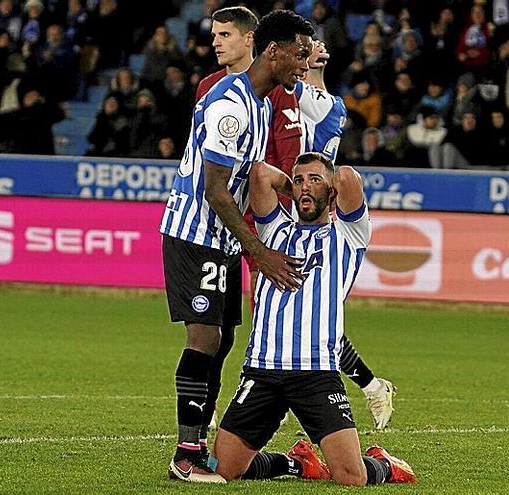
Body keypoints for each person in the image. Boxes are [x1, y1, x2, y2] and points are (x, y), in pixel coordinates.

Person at [196, 6, 396, 432]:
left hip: (291, 215)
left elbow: (329, 135)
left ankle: (252, 401)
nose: (217, 42)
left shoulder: (296, 90)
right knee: (249, 319)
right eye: (215, 35)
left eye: (225, 34)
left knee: (298, 316)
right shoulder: (214, 89)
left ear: (253, 41)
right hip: (240, 213)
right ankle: (369, 384)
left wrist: (300, 195)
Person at [159, 9, 314, 483]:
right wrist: (258, 252)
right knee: (204, 337)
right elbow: (216, 190)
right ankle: (186, 454)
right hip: (195, 233)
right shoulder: (231, 103)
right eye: (300, 53)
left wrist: (290, 186)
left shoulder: (262, 103)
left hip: (222, 238)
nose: (304, 63)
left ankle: (199, 446)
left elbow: (250, 172)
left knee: (222, 340)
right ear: (274, 50)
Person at [213, 152, 416, 486]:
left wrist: (324, 183)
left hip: (316, 373)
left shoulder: (349, 236)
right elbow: (261, 174)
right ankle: (297, 464)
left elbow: (348, 177)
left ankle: (386, 465)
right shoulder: (273, 230)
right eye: (298, 180)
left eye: (314, 180)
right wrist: (299, 188)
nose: (304, 187)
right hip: (263, 371)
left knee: (351, 477)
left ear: (331, 192)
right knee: (224, 469)